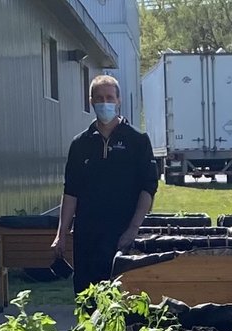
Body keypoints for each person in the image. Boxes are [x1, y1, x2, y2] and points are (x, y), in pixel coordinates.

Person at [51, 75, 159, 294]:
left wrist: (133, 230)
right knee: (87, 298)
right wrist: (61, 233)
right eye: (99, 98)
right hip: (87, 236)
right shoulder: (80, 143)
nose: (104, 103)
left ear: (119, 100)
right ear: (91, 101)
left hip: (123, 235)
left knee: (123, 299)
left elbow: (148, 188)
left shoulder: (137, 140)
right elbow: (71, 191)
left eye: (110, 97)